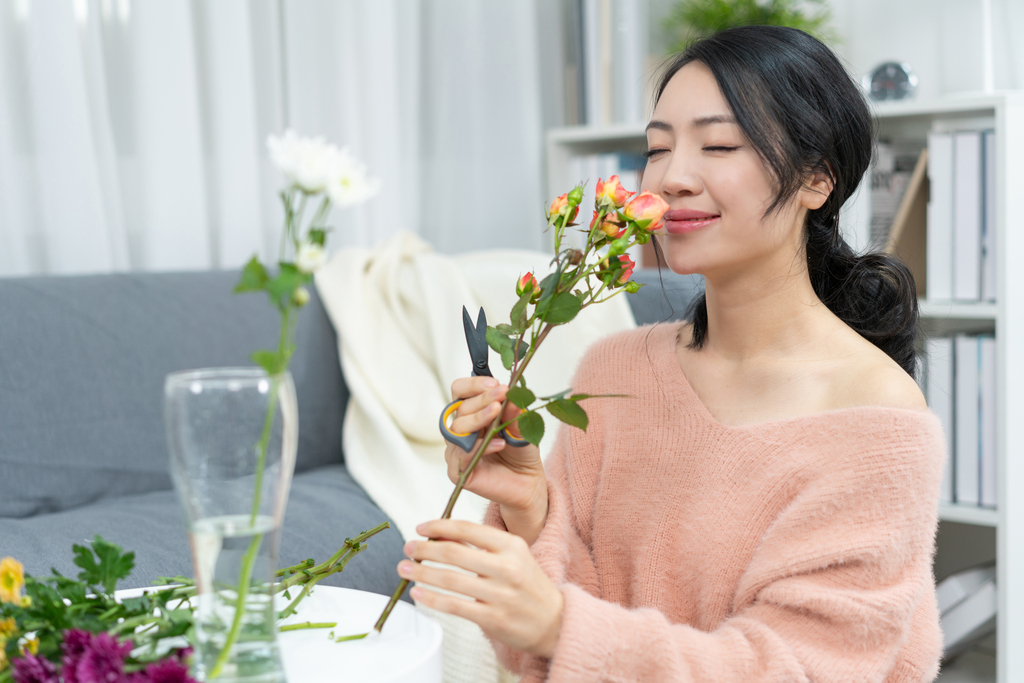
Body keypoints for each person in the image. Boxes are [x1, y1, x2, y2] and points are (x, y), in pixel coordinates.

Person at [395, 26, 945, 682]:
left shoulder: (877, 421)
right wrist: (531, 507)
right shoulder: (615, 370)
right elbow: (551, 645)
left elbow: (796, 668)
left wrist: (558, 624)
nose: (672, 178)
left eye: (718, 144)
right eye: (657, 148)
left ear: (817, 178)